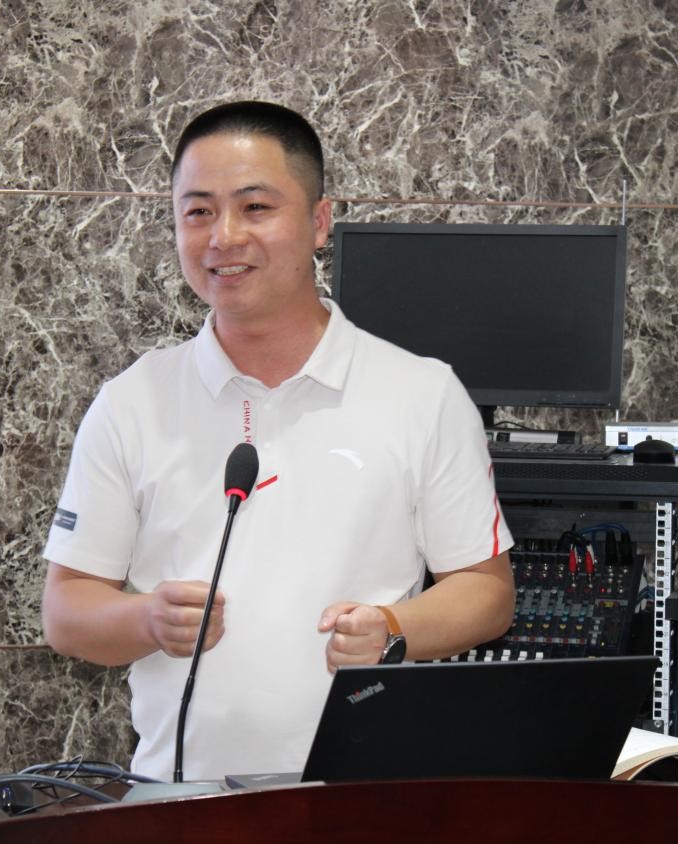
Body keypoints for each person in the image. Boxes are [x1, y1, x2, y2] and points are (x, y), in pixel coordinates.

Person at [41, 101, 514, 780]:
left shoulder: (422, 393)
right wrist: (147, 620)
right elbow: (66, 611)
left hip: (364, 800)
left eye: (255, 207)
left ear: (319, 222)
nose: (223, 236)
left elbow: (486, 591)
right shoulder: (132, 403)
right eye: (198, 212)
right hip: (180, 802)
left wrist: (394, 628)